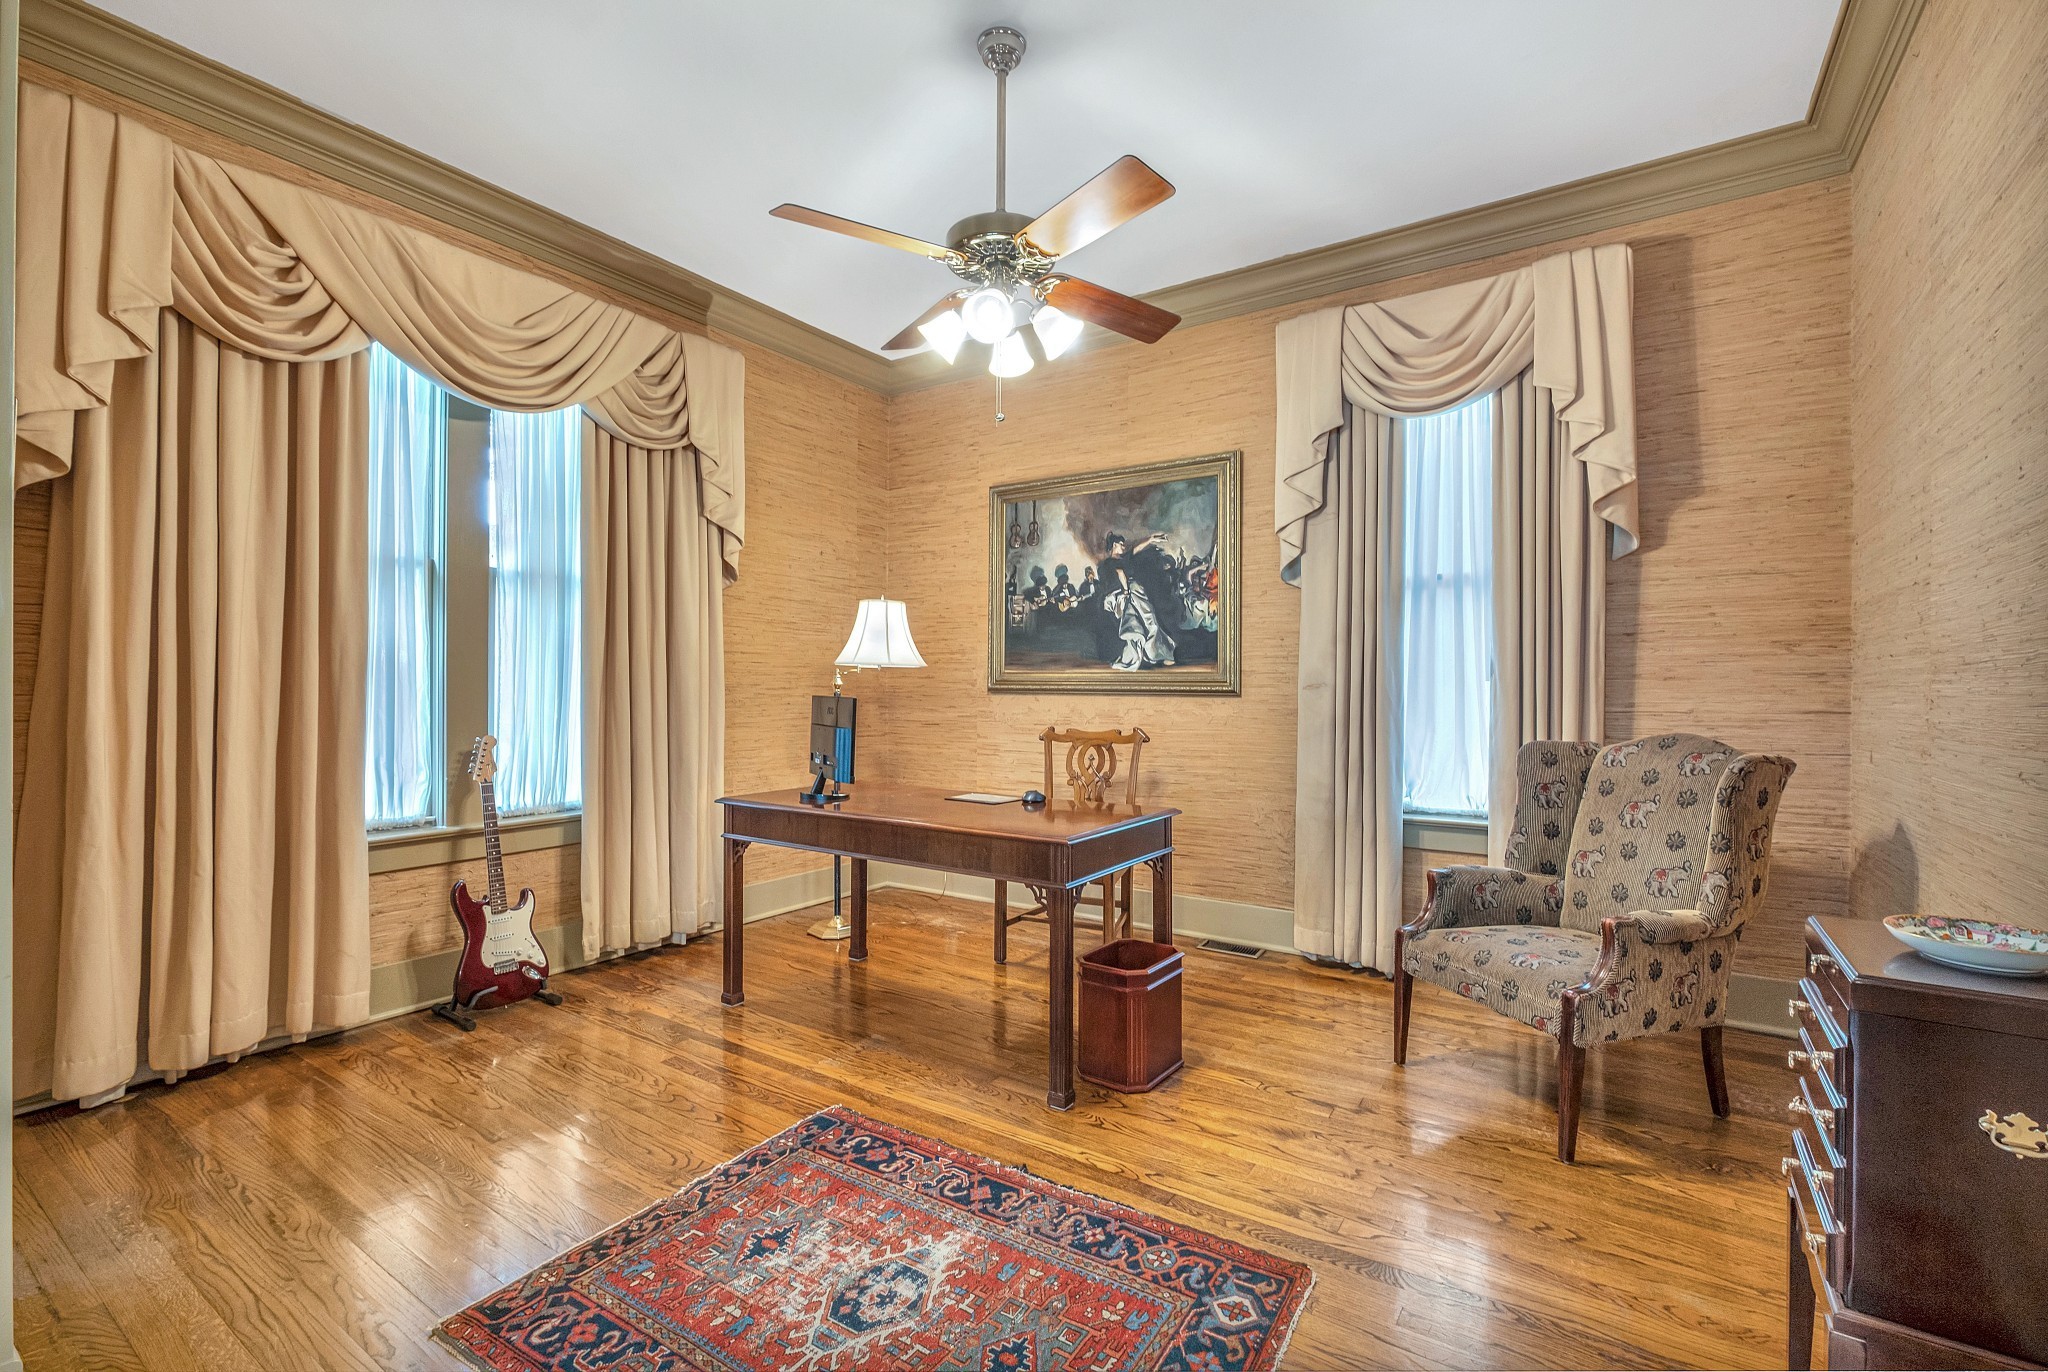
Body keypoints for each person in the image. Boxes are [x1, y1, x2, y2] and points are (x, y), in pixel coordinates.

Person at [1099, 531, 1176, 670]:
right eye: (1121, 544)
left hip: (1125, 594)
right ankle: (1160, 655)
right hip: (1129, 592)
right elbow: (1120, 573)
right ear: (1114, 545)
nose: (1123, 547)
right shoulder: (1112, 563)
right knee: (1148, 620)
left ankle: (1142, 657)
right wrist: (1126, 591)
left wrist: (1151, 539)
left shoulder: (1116, 561)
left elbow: (1136, 549)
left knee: (1136, 626)